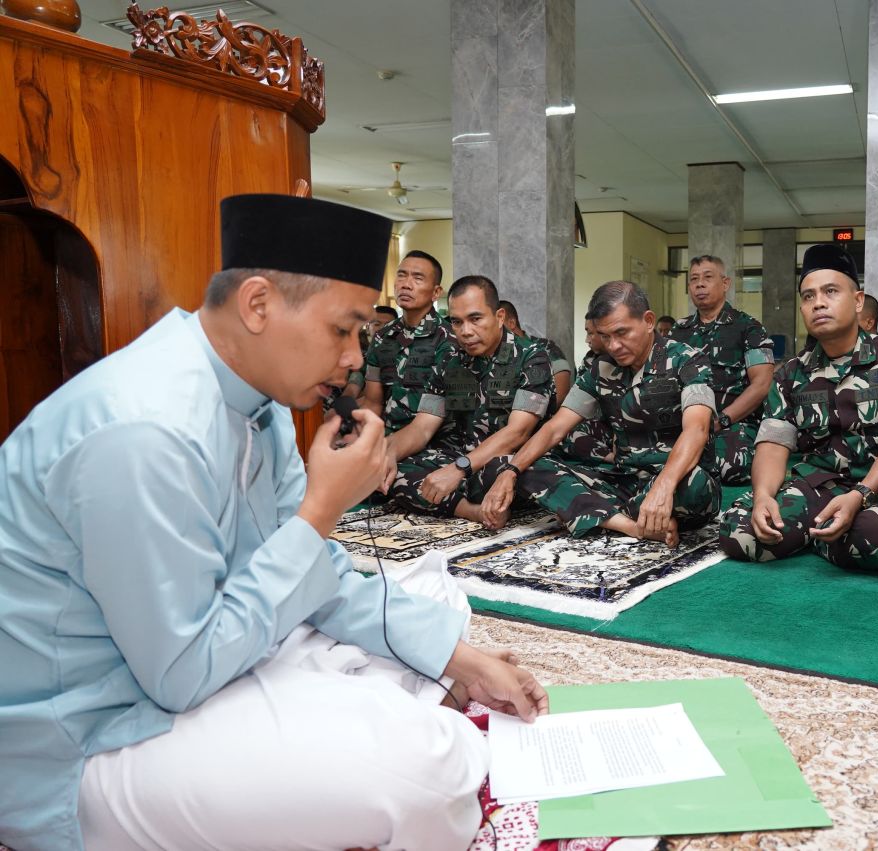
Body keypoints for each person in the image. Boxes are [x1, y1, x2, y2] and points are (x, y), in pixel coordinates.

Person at [0, 194, 547, 851]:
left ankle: (380, 702)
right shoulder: (143, 431)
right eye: (342, 330)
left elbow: (318, 575)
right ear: (258, 304)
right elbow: (182, 674)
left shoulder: (256, 403)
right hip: (96, 734)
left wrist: (463, 658)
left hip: (209, 654)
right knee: (425, 773)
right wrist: (322, 511)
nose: (354, 359)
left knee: (436, 600)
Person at [718, 244, 878, 572]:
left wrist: (859, 495)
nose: (818, 302)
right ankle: (821, 534)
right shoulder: (790, 373)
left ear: (857, 301)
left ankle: (811, 534)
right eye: (808, 296)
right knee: (739, 530)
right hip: (815, 488)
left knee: (870, 539)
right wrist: (763, 496)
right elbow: (773, 445)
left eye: (830, 291)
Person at [481, 281, 718, 547]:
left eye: (621, 333)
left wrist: (664, 485)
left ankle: (595, 511)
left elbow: (697, 429)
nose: (613, 346)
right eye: (605, 336)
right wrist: (511, 472)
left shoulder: (688, 360)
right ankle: (630, 525)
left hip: (678, 481)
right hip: (625, 481)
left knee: (695, 485)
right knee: (520, 465)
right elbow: (555, 428)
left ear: (648, 321)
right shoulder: (601, 368)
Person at [387, 277, 554, 525]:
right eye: (457, 322)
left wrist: (458, 470)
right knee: (399, 469)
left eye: (475, 319)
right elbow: (422, 427)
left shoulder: (532, 358)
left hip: (506, 463)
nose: (465, 331)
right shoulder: (450, 361)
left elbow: (518, 433)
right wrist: (388, 454)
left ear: (499, 316)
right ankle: (472, 511)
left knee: (524, 472)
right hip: (460, 460)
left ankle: (454, 499)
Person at [668, 254, 775, 484]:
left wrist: (722, 420)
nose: (699, 284)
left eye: (707, 277)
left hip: (731, 423)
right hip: (686, 423)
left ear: (725, 283)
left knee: (731, 468)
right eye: (694, 279)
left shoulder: (748, 328)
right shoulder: (678, 331)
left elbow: (762, 384)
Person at [361, 250, 452, 455]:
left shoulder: (449, 340)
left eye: (418, 278)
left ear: (436, 292)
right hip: (385, 439)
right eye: (401, 275)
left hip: (433, 447)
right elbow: (372, 403)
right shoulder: (382, 336)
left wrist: (377, 456)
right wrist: (361, 443)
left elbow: (424, 428)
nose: (406, 284)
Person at [497, 298, 573, 406]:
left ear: (511, 323)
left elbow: (560, 394)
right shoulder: (497, 354)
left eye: (499, 322)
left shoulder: (546, 347)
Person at [559, 316, 615, 462]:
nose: (587, 340)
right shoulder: (590, 359)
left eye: (590, 333)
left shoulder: (625, 358)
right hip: (603, 425)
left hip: (628, 428)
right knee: (564, 431)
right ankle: (612, 459)